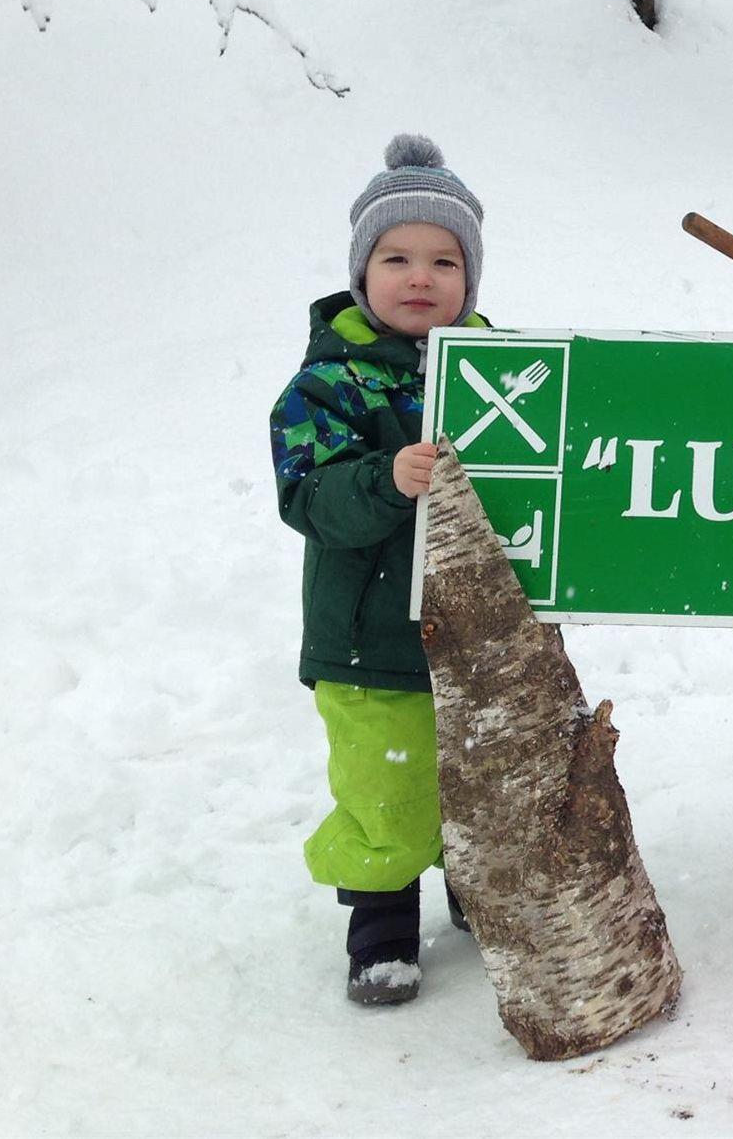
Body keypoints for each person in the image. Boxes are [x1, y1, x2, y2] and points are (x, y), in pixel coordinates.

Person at [269, 134, 487, 1006]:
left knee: (483, 776)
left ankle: (482, 888)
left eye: (444, 261)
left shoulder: (505, 373)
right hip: (370, 638)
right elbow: (309, 497)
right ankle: (382, 926)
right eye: (397, 258)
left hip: (481, 633)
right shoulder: (331, 383)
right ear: (363, 272)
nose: (420, 277)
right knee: (386, 787)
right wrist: (384, 478)